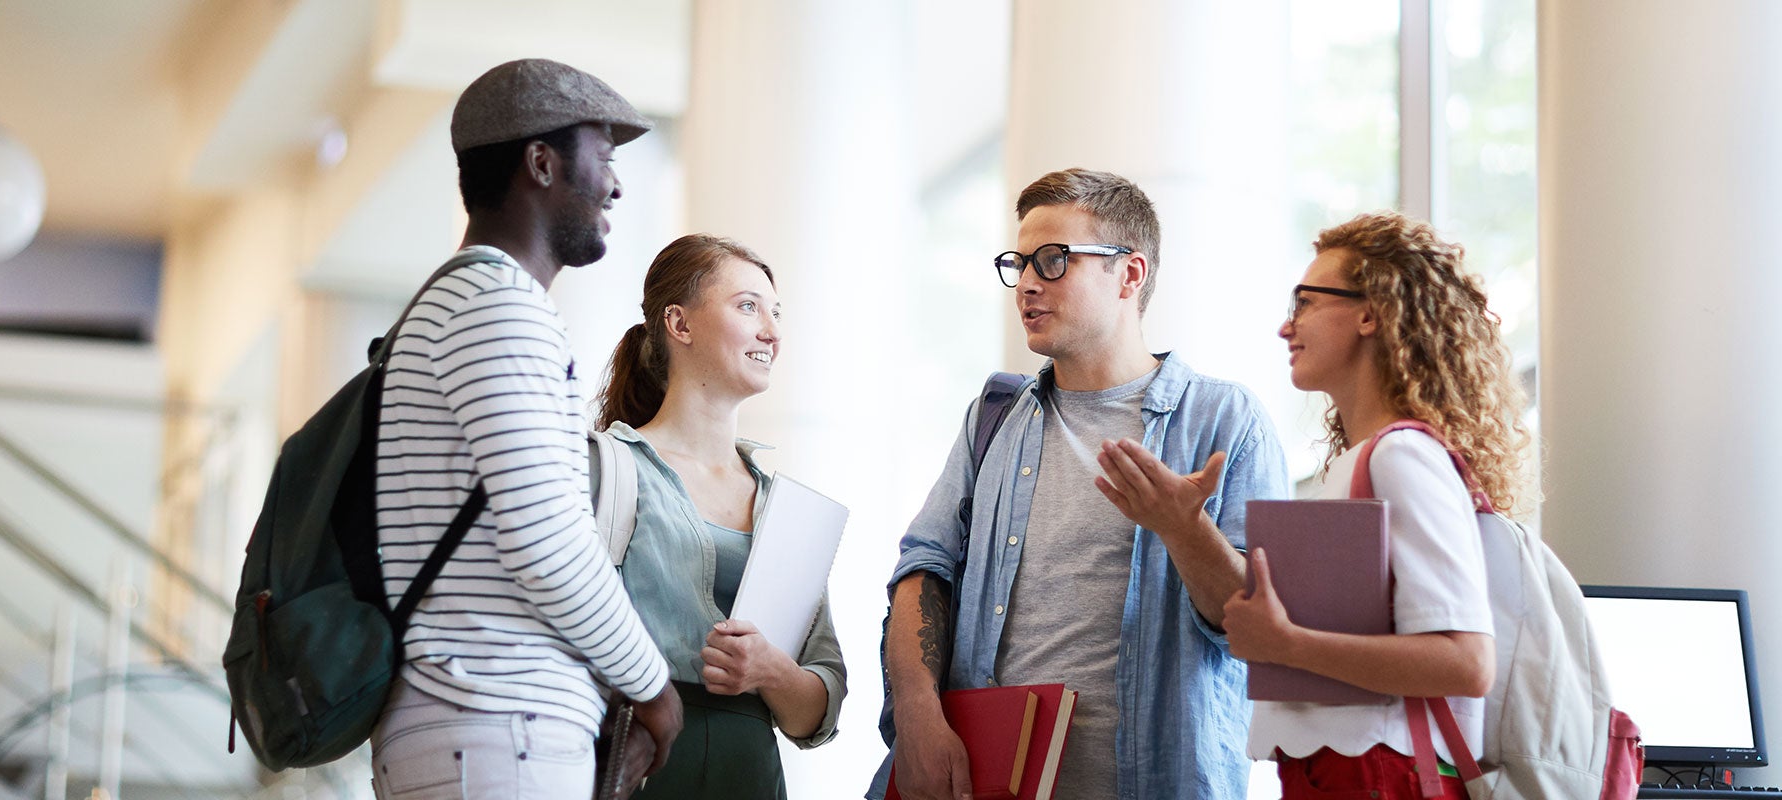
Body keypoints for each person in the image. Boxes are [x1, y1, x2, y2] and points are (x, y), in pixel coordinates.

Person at [876, 168, 1289, 800]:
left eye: (1053, 259)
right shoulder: (994, 416)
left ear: (1130, 273)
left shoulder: (1224, 421)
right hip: (990, 781)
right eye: (1020, 263)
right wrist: (915, 714)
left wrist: (1184, 529)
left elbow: (1256, 631)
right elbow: (925, 564)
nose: (1028, 285)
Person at [369, 59, 683, 800]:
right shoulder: (498, 305)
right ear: (540, 163)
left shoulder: (448, 304)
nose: (615, 184)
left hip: (466, 727)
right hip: (493, 724)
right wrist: (652, 686)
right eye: (602, 157)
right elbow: (547, 543)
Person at [1222, 211, 1527, 799]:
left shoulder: (1401, 456)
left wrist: (1287, 645)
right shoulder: (1366, 461)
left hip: (1378, 774)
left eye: (1306, 302)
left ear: (1372, 313)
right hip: (1347, 771)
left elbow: (1467, 663)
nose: (1287, 328)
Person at [588, 233, 847, 798]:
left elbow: (818, 710)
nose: (772, 333)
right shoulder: (607, 468)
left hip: (751, 773)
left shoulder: (789, 510)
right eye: (748, 306)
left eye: (776, 313)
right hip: (636, 760)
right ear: (679, 324)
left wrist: (770, 671)